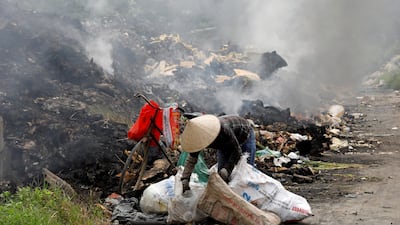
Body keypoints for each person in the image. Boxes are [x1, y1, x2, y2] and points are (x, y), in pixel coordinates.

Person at [180, 114, 256, 191]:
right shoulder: (199, 138)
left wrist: (227, 169)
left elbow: (236, 151)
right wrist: (185, 178)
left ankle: (248, 196)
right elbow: (192, 159)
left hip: (245, 134)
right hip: (224, 144)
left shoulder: (222, 129)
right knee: (221, 178)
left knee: (246, 172)